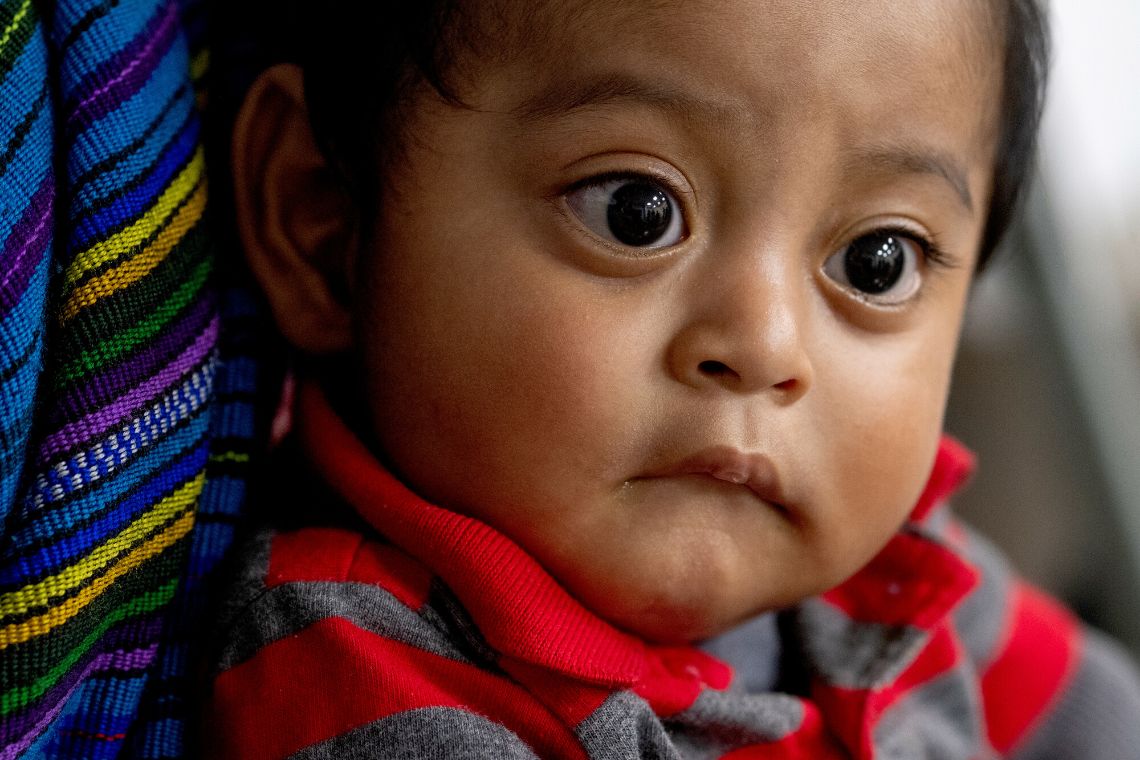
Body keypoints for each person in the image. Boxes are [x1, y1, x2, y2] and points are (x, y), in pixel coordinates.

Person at [203, 0, 1140, 757]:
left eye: (876, 262)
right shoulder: (357, 669)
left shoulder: (906, 581)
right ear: (325, 224)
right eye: (636, 212)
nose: (767, 347)